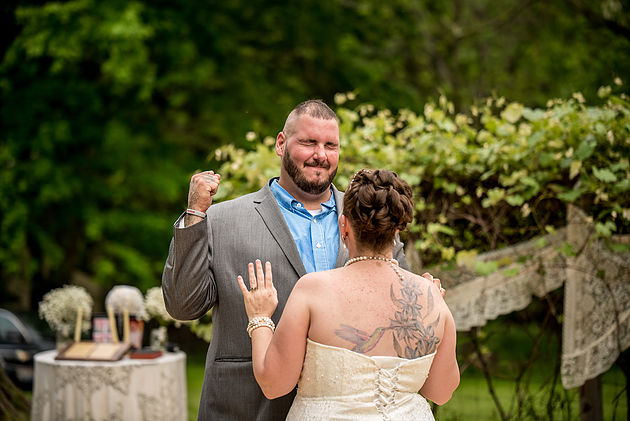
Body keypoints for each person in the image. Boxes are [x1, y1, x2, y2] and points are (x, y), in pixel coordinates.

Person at [161, 100, 412, 420]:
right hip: (246, 407)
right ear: (281, 144)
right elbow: (183, 305)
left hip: (345, 409)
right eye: (308, 142)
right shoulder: (221, 219)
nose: (320, 154)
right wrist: (196, 213)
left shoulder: (369, 220)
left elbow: (400, 312)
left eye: (330, 145)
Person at [237, 169, 460, 420]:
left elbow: (274, 384)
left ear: (343, 226)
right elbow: (440, 393)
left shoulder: (313, 290)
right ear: (397, 230)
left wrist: (259, 319)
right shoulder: (430, 297)